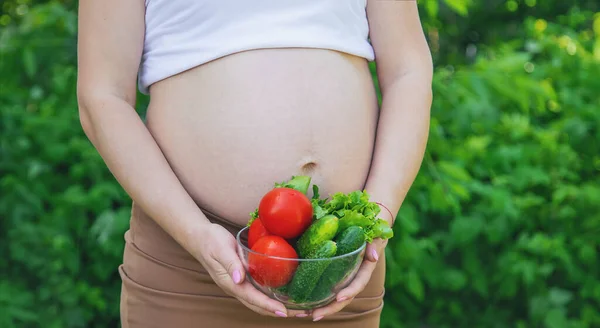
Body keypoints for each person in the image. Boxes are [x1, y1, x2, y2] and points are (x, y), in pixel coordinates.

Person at [76, 0, 432, 327]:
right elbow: (102, 96)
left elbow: (409, 71)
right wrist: (197, 236)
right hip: (190, 263)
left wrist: (376, 217)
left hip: (337, 265)